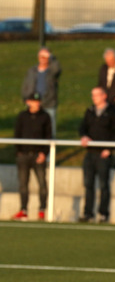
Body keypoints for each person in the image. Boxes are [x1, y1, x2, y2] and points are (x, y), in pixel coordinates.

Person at [78, 87, 115, 223]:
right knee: (88, 184)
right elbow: (82, 127)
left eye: (97, 95)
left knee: (104, 185)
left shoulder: (111, 112)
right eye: (92, 95)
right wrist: (84, 137)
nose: (94, 98)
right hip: (90, 153)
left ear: (104, 96)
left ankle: (103, 213)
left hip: (103, 154)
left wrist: (109, 148)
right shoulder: (90, 111)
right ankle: (88, 213)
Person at [11, 93, 52, 221]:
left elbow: (49, 136)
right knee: (23, 183)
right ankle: (23, 209)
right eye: (34, 101)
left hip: (38, 156)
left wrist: (44, 153)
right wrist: (19, 151)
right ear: (28, 102)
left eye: (38, 100)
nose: (37, 103)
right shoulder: (22, 116)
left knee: (42, 183)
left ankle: (42, 210)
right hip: (24, 155)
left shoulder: (45, 117)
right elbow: (17, 134)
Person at [21, 47, 62, 138]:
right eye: (41, 56)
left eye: (45, 57)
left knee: (49, 130)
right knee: (32, 129)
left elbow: (57, 69)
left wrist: (51, 57)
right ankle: (32, 150)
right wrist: (26, 98)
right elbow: (26, 85)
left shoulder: (52, 71)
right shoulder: (32, 71)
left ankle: (49, 151)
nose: (43, 59)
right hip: (33, 104)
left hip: (48, 103)